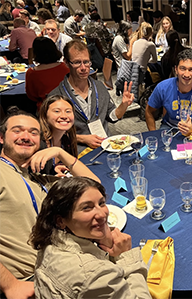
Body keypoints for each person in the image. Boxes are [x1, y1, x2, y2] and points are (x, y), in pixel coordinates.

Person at [0, 110, 99, 299]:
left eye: (33, 132)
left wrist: (60, 152)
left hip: (61, 268)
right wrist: (10, 285)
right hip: (31, 280)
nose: (26, 137)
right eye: (17, 130)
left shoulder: (39, 179)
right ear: (1, 138)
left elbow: (94, 187)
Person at [29, 177, 151, 298]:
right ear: (61, 221)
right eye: (87, 207)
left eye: (101, 203)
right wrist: (125, 255)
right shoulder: (94, 274)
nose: (102, 214)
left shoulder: (49, 239)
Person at [49, 40, 135, 152]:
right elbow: (51, 133)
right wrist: (82, 139)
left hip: (106, 146)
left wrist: (123, 105)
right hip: (77, 151)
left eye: (86, 62)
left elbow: (111, 116)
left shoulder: (99, 87)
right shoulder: (56, 96)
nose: (84, 67)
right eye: (77, 62)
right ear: (66, 62)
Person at [146, 49, 192, 135]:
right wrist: (153, 134)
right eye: (182, 69)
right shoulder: (163, 87)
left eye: (191, 70)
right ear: (176, 69)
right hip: (169, 128)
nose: (186, 74)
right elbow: (149, 111)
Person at [25, 37, 69, 111]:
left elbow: (32, 96)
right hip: (68, 105)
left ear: (35, 53)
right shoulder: (66, 68)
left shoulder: (32, 73)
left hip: (45, 110)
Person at [38, 95, 78, 175]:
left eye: (68, 111)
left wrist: (56, 167)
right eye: (57, 111)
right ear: (45, 116)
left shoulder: (66, 140)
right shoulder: (39, 143)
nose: (64, 116)